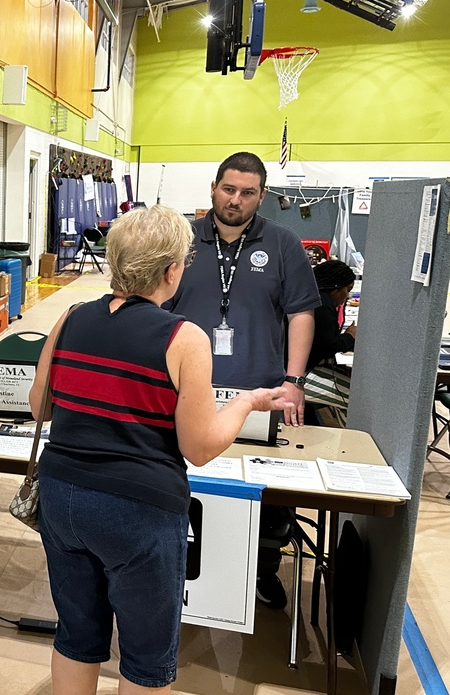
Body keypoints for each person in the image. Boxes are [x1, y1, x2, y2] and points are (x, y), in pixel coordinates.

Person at [29, 205, 293, 695]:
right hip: (138, 510)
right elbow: (199, 448)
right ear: (172, 271)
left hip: (62, 495)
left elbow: (38, 405)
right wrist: (245, 402)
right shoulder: (183, 338)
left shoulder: (69, 319)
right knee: (147, 655)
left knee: (76, 634)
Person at [166, 151, 320, 610]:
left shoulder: (283, 243)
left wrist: (293, 380)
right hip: (187, 387)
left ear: (262, 196)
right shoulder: (180, 240)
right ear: (213, 187)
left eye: (247, 192)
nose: (235, 200)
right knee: (185, 481)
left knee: (264, 495)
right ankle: (183, 565)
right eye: (228, 189)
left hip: (260, 392)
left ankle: (262, 569)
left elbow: (301, 313)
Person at [304, 259, 357, 425]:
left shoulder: (310, 296)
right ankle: (351, 445)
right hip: (301, 374)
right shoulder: (322, 306)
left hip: (297, 368)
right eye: (347, 290)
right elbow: (329, 345)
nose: (347, 296)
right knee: (356, 399)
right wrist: (350, 336)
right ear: (336, 288)